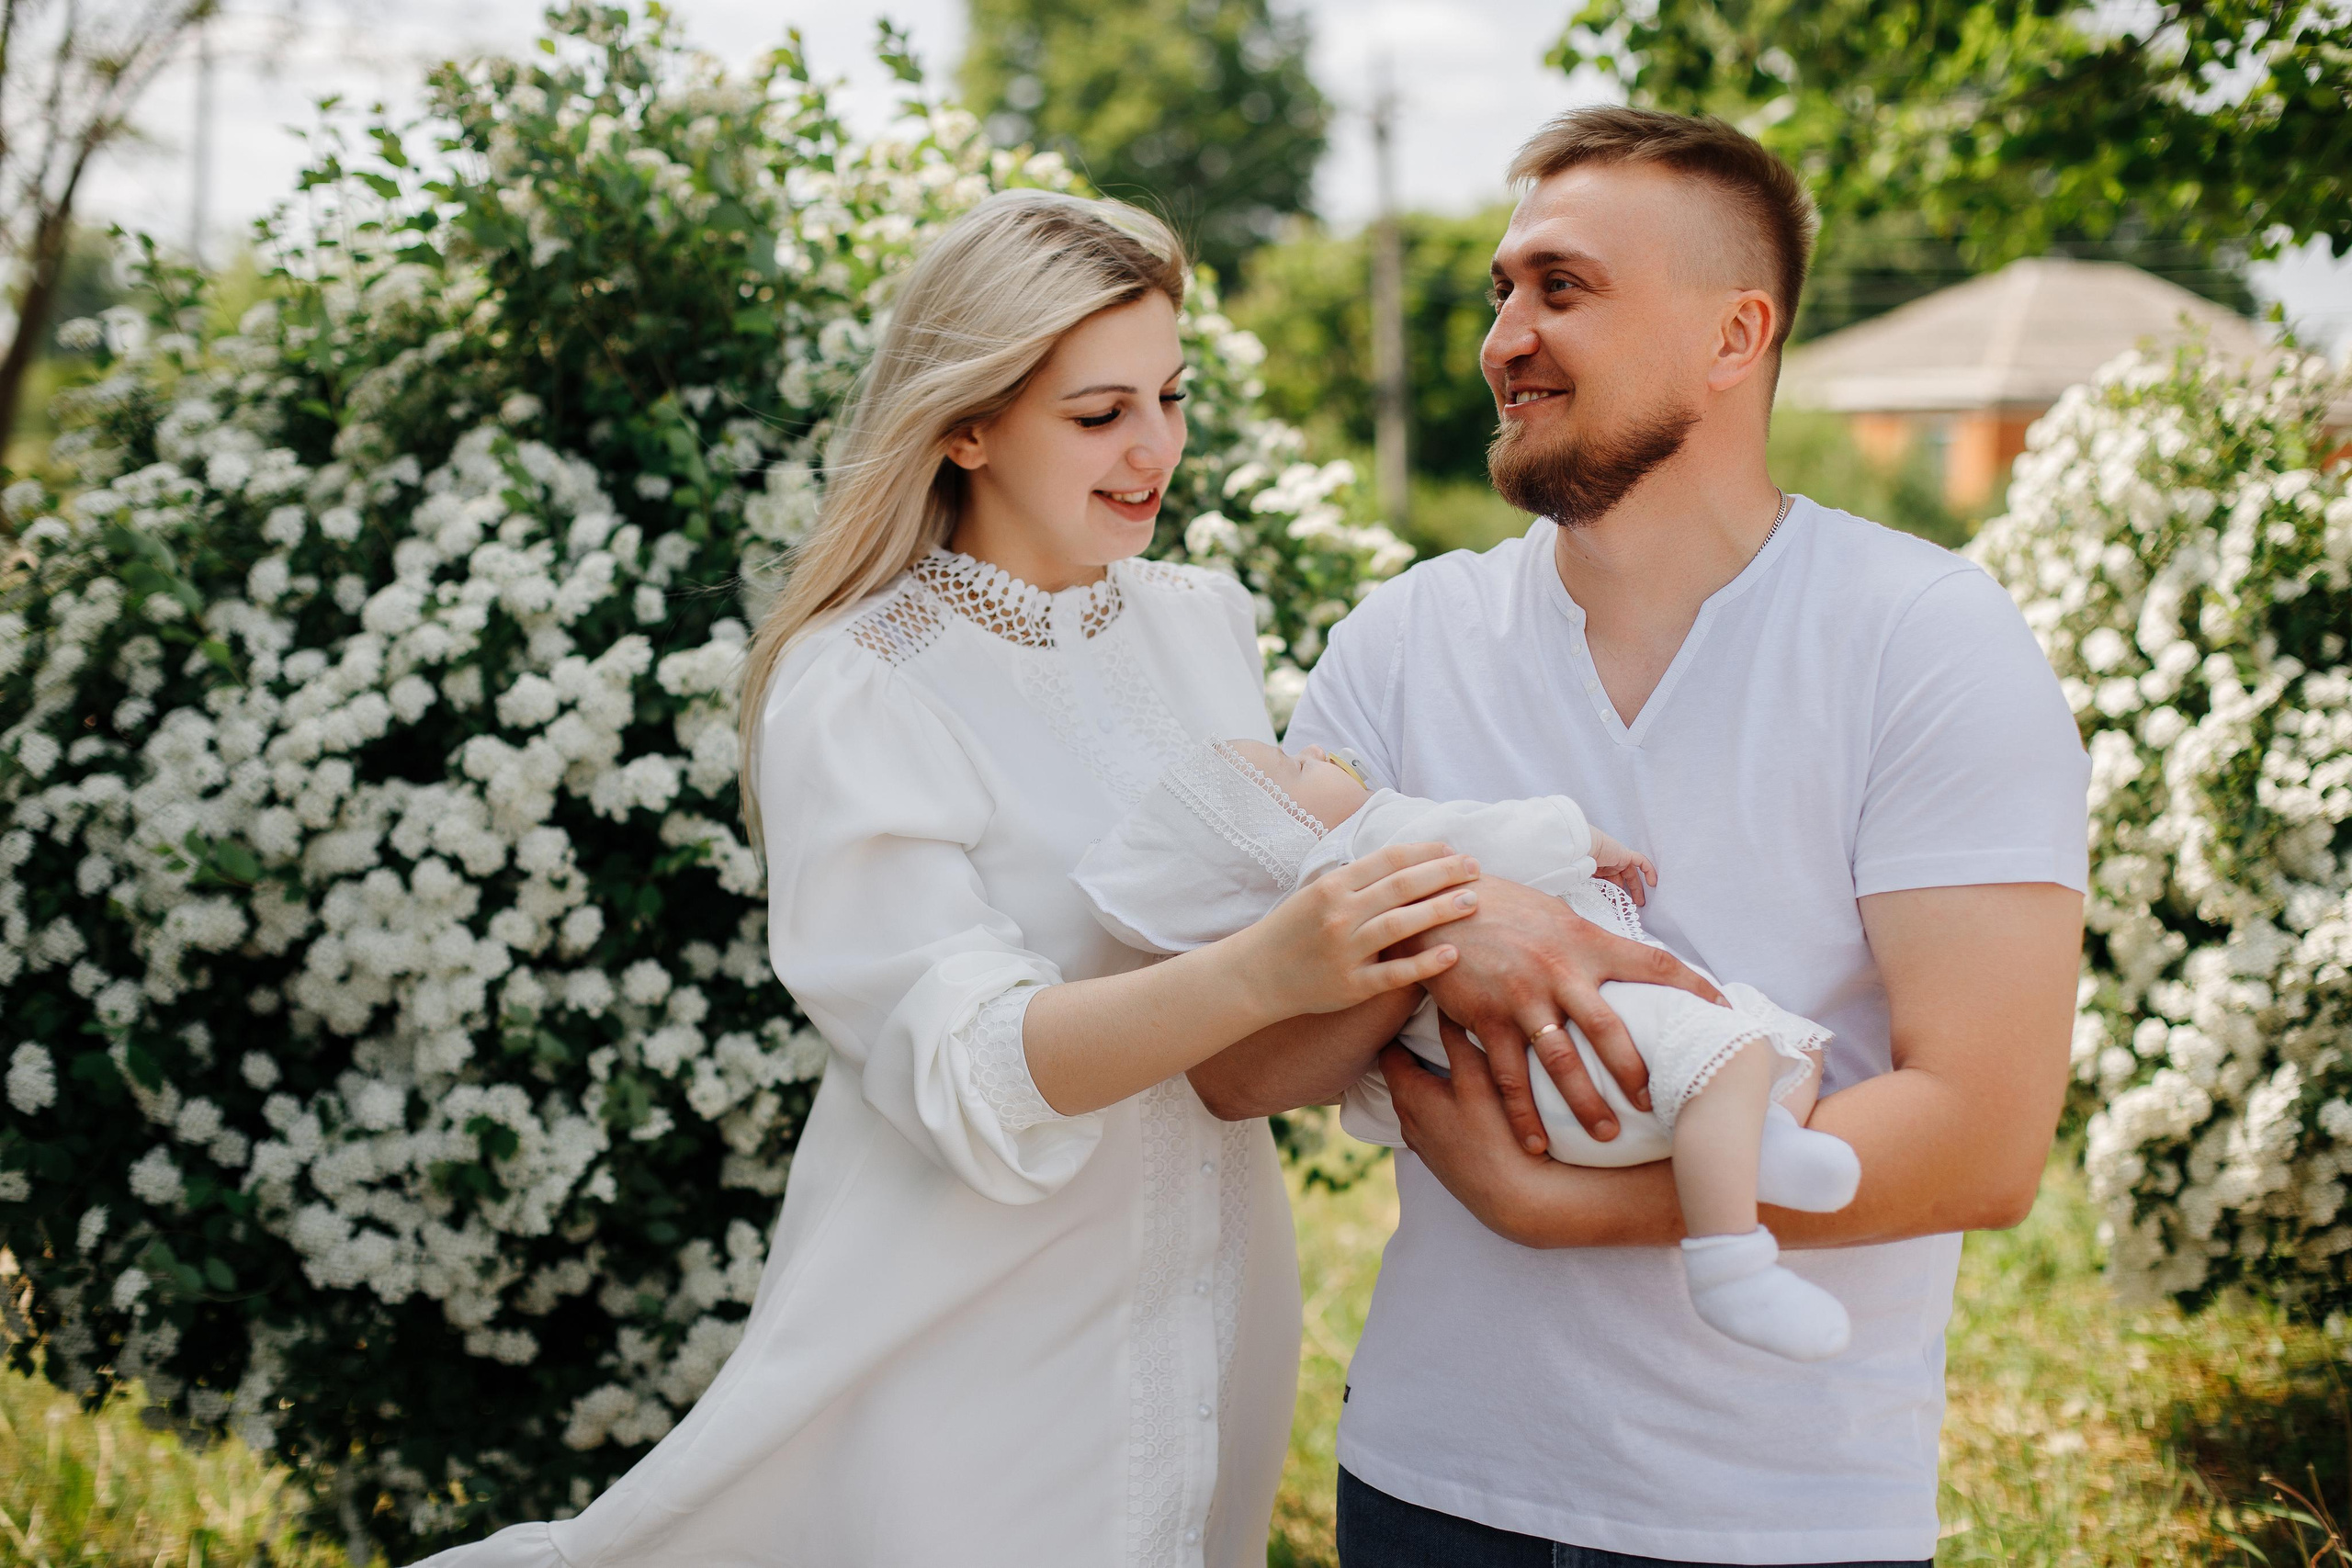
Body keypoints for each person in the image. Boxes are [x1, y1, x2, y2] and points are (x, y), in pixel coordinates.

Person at [412, 191, 1492, 1568]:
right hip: (964, 1313)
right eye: (1100, 414)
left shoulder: (1203, 620)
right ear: (966, 422)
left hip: (1212, 1292)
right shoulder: (861, 683)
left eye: (1170, 394)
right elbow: (967, 1067)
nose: (1156, 445)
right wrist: (1262, 967)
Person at [1190, 107, 2089, 1566]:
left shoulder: (1927, 640)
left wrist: (1562, 1209)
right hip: (1431, 1484)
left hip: (1779, 1513)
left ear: (1737, 337)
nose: (1503, 336)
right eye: (1502, 290)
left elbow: (1982, 1136)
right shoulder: (1408, 638)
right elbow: (1243, 1062)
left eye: (1564, 286)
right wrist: (1453, 922)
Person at [1072, 736, 1861, 1361]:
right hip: (1594, 1045)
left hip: (1541, 1116)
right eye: (1291, 764)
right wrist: (1584, 840)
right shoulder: (1365, 848)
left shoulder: (1325, 962)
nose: (1316, 751)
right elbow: (1492, 837)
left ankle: (1762, 1144)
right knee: (1738, 1047)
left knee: (1757, 1044)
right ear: (1276, 841)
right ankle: (1730, 1259)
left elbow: (1375, 1091)